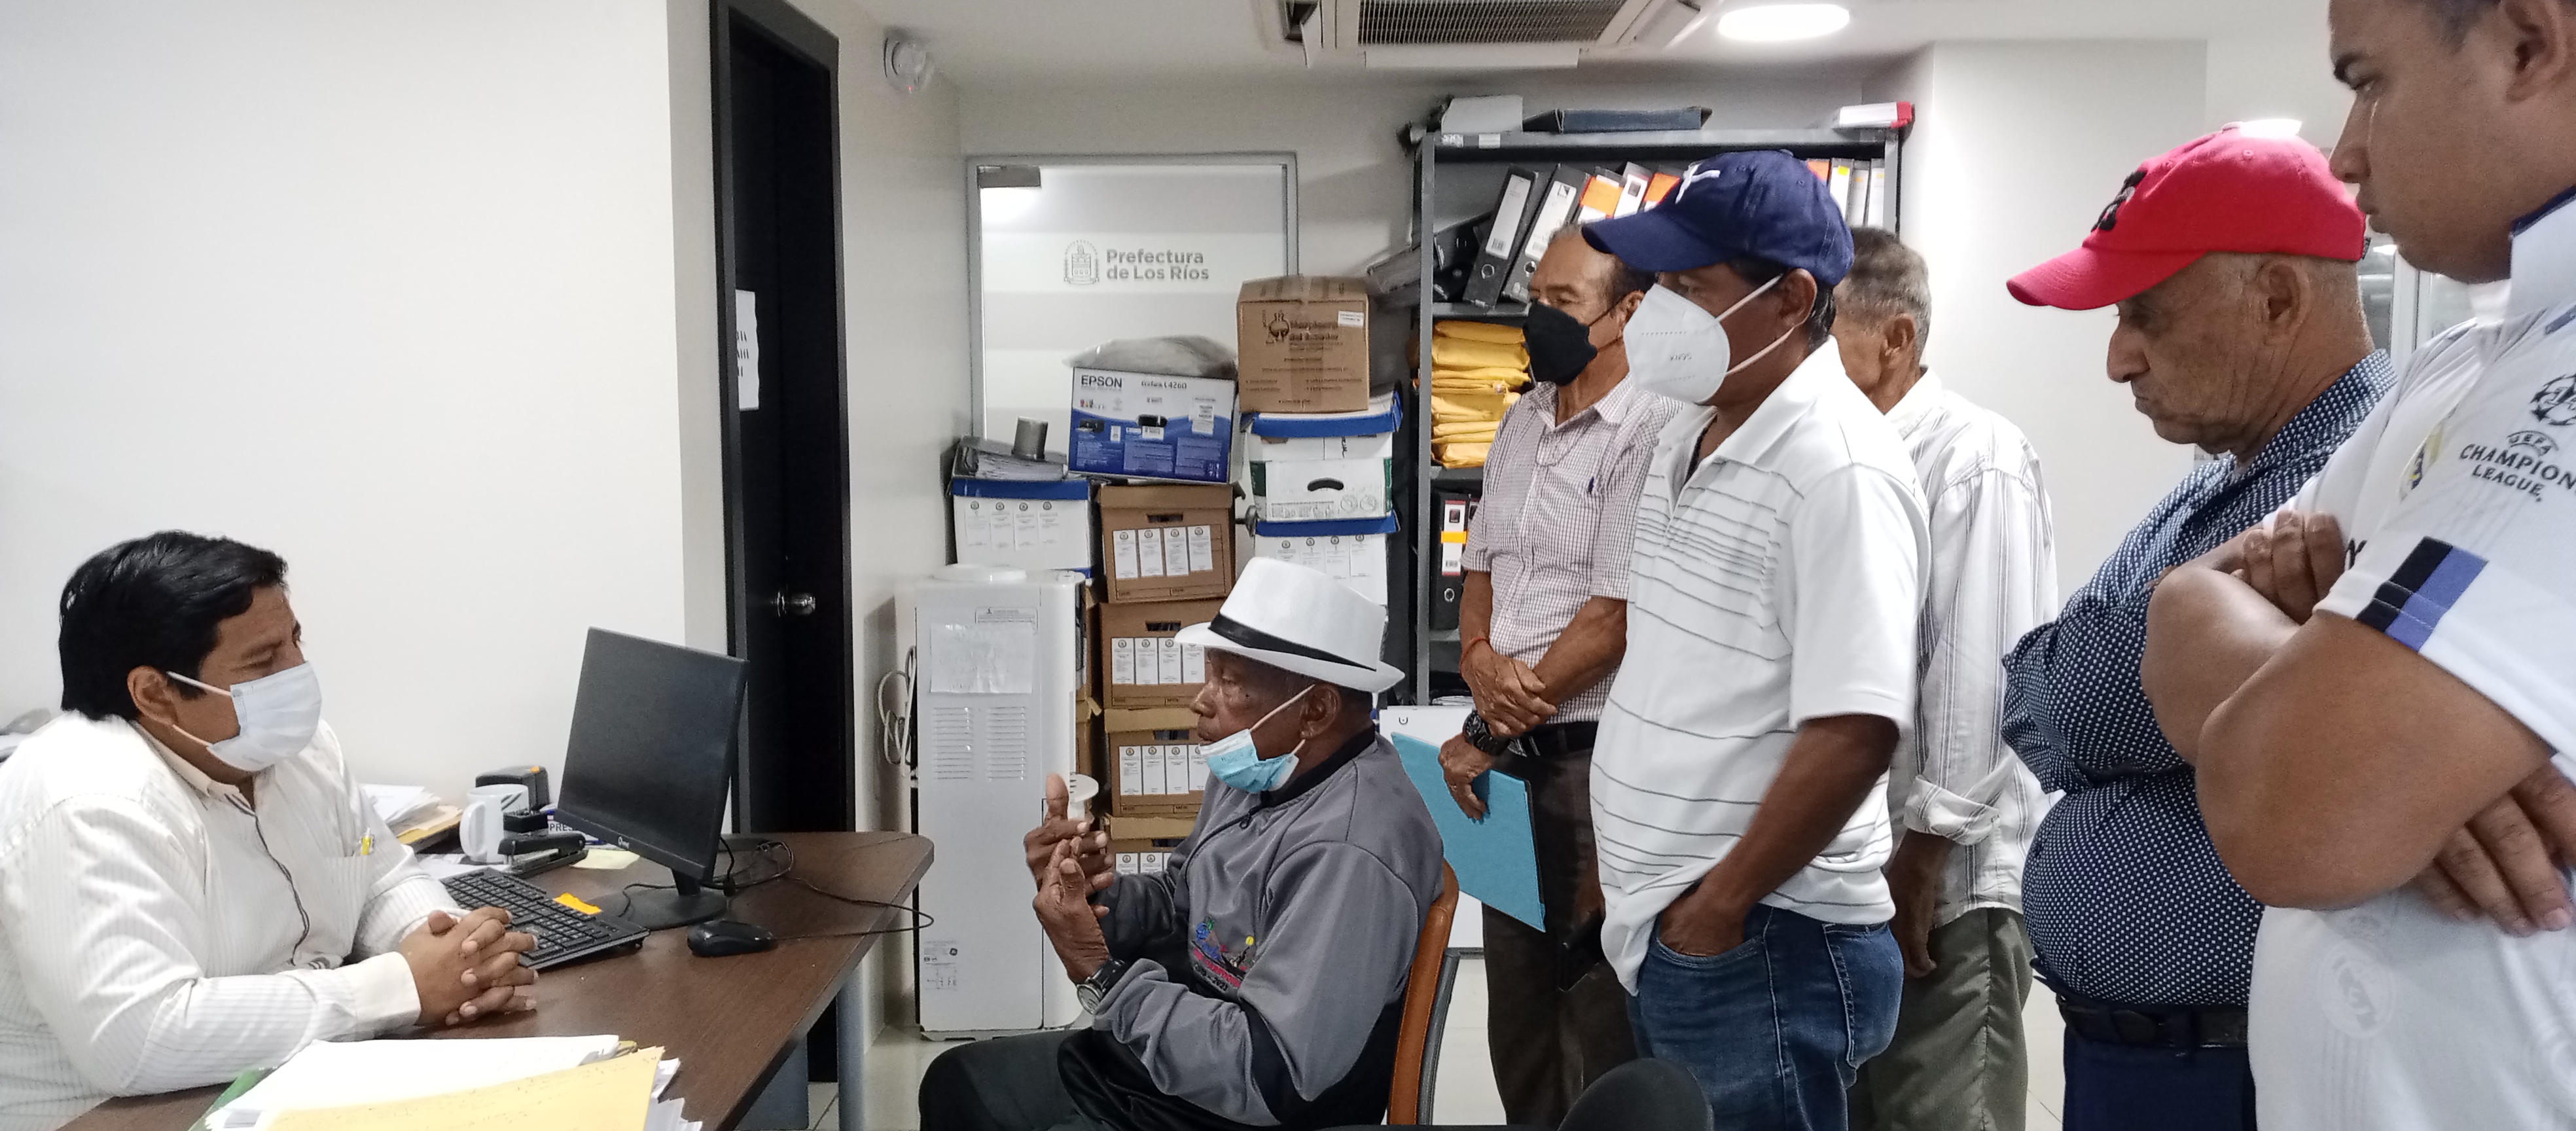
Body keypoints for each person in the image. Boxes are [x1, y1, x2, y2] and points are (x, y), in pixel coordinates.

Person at [2136, 0, 2576, 1125]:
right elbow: (2179, 613)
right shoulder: (2457, 366)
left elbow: (2289, 808)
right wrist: (2382, 742)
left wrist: (2343, 739)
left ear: (2529, 45)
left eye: (2369, 81)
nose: (2344, 153)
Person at [1997, 128, 2384, 1131]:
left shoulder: (2363, 483)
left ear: (2277, 300)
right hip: (2132, 1054)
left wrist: (2130, 668)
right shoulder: (2215, 483)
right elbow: (2040, 704)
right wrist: (2175, 650)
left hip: (2242, 1064)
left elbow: (2088, 705)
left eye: (2146, 314)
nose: (2118, 357)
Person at [1579, 150, 1928, 1131]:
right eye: (1658, 285)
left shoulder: (1839, 470)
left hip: (1766, 940)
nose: (1658, 312)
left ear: (1790, 301)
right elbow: (1680, 661)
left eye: (1692, 288)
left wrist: (1719, 906)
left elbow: (1856, 729)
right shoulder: (1686, 430)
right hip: (1681, 924)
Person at [0, 532, 538, 1131]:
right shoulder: (86, 798)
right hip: (121, 1115)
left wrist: (460, 958)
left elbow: (379, 877)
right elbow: (139, 1038)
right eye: (263, 662)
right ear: (155, 692)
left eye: (295, 641)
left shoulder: (296, 749)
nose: (297, 672)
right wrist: (400, 987)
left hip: (293, 1076)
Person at [918, 559, 1442, 1131]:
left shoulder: (1351, 852)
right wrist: (1095, 896)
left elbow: (1268, 1076)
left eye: (1229, 682)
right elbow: (1184, 901)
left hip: (1236, 1106)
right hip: (1178, 1052)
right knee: (956, 1082)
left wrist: (1099, 974)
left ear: (1315, 710)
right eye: (1209, 675)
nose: (1201, 700)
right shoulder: (1263, 767)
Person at [1435, 224, 1677, 1126]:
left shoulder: (1653, 426)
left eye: (1563, 302)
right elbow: (1481, 568)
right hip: (1509, 759)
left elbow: (1614, 618)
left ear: (1628, 313)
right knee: (1520, 1007)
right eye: (1534, 296)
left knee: (1593, 1005)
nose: (1538, 316)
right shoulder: (1521, 419)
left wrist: (1489, 724)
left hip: (1592, 758)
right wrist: (1476, 659)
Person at [1831, 228, 2058, 1131]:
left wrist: (1925, 852)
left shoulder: (1973, 454)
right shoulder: (1841, 453)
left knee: (1942, 1106)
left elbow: (1980, 673)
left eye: (1821, 331)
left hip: (1944, 879)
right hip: (1862, 871)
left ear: (1896, 339)